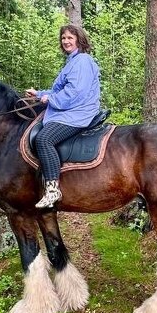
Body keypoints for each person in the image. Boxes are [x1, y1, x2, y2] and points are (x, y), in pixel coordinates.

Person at [26, 24, 102, 208]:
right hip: (72, 109)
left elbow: (75, 93)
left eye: (70, 37)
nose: (66, 41)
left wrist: (50, 99)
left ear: (79, 40)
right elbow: (60, 89)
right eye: (63, 38)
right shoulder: (72, 61)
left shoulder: (82, 61)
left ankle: (52, 190)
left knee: (44, 139)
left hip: (79, 112)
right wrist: (39, 94)